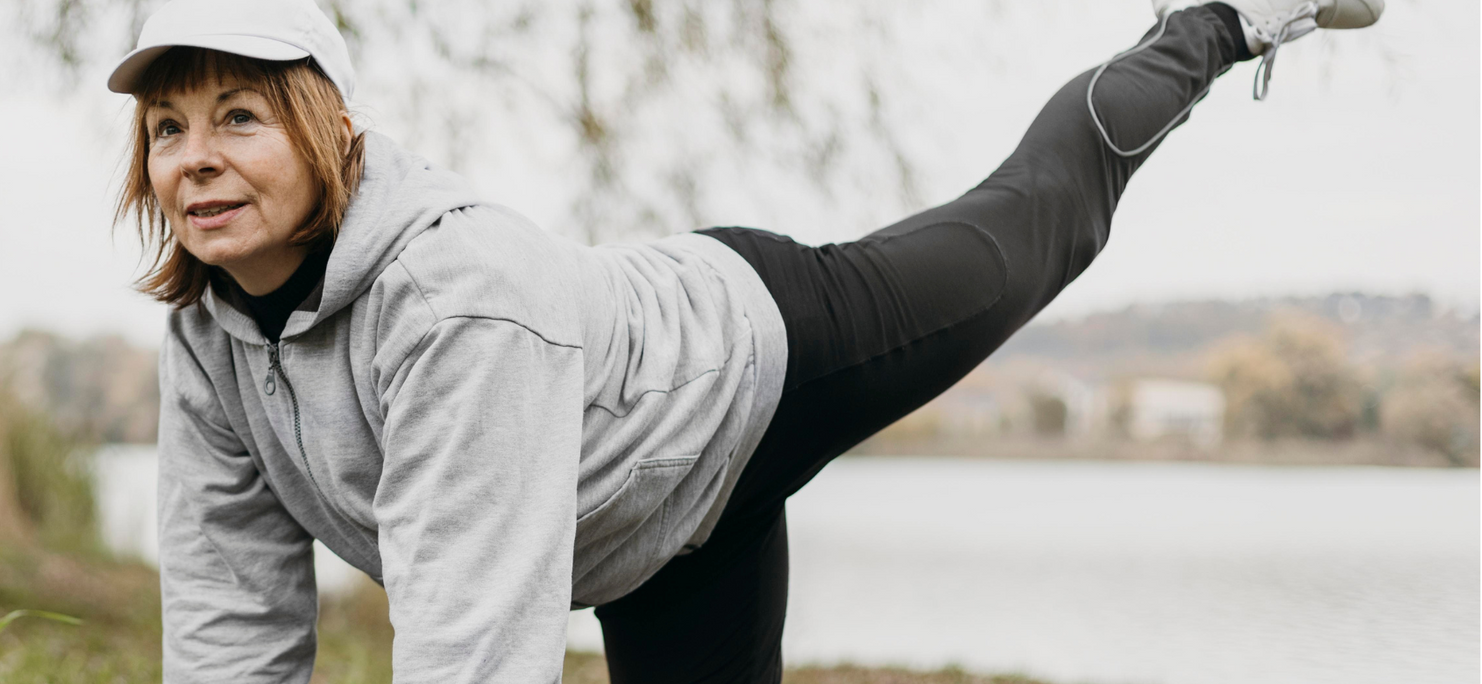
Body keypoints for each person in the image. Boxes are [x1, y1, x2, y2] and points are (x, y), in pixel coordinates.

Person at [106, 0, 1384, 681]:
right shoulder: (210, 340)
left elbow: (470, 648)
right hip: (645, 529)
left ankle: (1216, 19)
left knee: (1033, 229)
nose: (196, 158)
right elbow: (231, 624)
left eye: (239, 116)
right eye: (169, 129)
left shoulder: (458, 303)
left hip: (755, 352)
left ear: (328, 131)